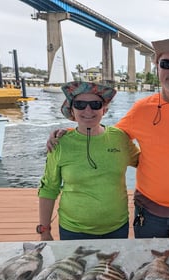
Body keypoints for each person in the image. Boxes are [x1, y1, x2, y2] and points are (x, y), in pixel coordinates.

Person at [48, 39, 169, 238]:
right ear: (157, 68)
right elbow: (109, 136)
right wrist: (72, 133)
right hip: (148, 211)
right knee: (148, 266)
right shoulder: (141, 109)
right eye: (166, 64)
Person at [37, 81, 139, 241]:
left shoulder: (119, 138)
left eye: (95, 104)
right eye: (80, 104)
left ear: (104, 110)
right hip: (73, 230)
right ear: (72, 110)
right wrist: (44, 231)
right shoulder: (60, 143)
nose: (88, 110)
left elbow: (145, 162)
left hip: (117, 227)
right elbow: (48, 188)